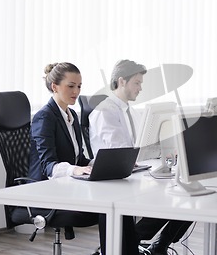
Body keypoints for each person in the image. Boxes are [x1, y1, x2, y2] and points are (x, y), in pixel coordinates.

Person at [27, 62, 137, 255]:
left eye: (79, 86)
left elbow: (79, 158)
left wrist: (102, 162)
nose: (76, 91)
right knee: (108, 205)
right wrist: (75, 169)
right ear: (55, 87)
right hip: (46, 190)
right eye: (71, 86)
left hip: (68, 186)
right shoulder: (44, 117)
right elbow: (48, 167)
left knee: (118, 203)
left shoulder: (72, 116)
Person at [89, 59, 192, 255]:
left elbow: (140, 147)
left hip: (131, 173)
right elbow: (120, 151)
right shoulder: (105, 111)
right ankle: (127, 241)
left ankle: (157, 244)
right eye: (137, 83)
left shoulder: (132, 112)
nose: (140, 88)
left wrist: (164, 149)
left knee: (188, 197)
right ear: (122, 81)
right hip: (112, 180)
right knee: (171, 197)